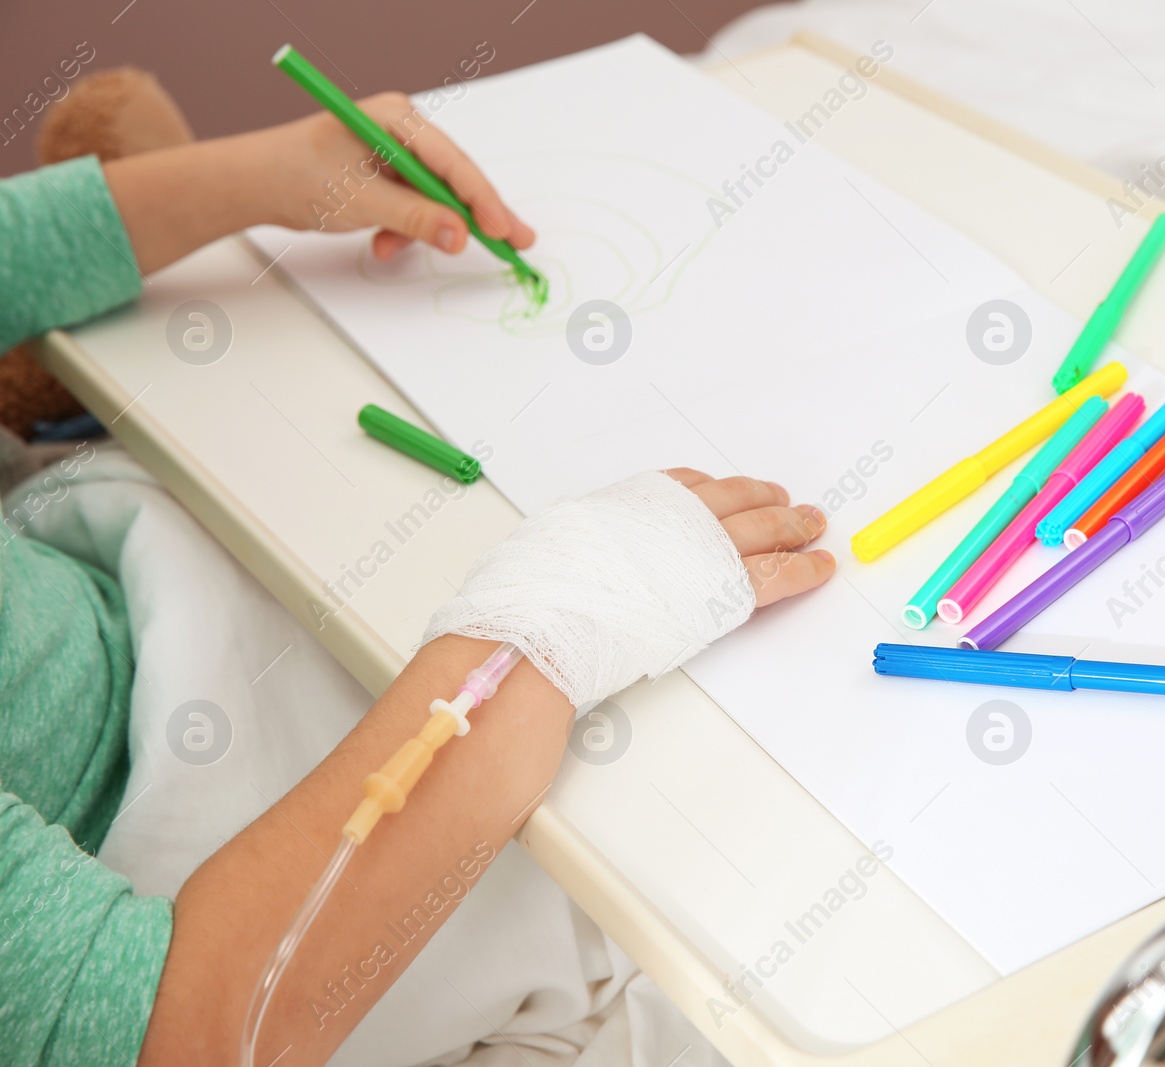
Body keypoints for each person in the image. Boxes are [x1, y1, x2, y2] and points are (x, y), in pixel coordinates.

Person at [0, 91, 835, 1065]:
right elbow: (194, 1030)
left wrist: (264, 171)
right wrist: (550, 622)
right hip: (204, 873)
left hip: (123, 586)